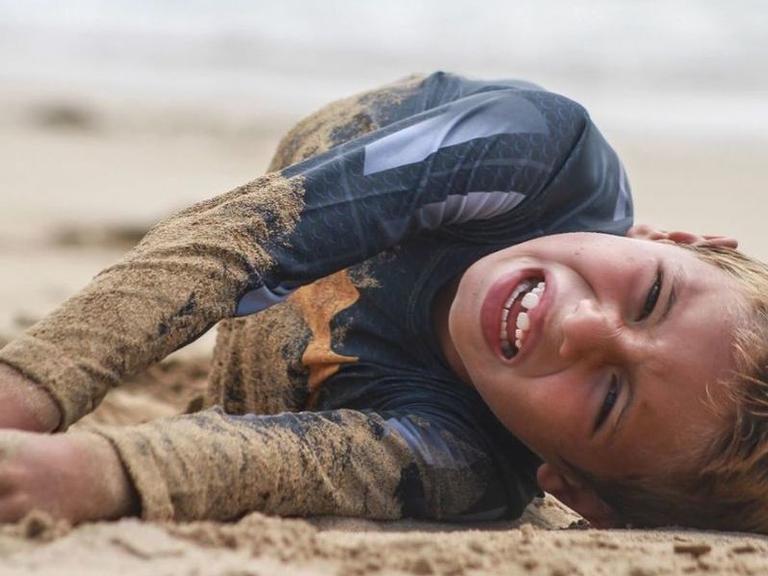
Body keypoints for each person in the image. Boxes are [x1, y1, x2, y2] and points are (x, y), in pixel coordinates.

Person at [0, 72, 763, 531]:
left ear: (574, 490)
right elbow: (245, 237)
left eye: (607, 397)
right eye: (652, 295)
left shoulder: (466, 470)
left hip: (275, 382)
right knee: (271, 235)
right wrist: (29, 390)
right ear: (673, 240)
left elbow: (264, 463)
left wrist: (90, 472)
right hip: (367, 154)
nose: (583, 326)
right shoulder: (543, 156)